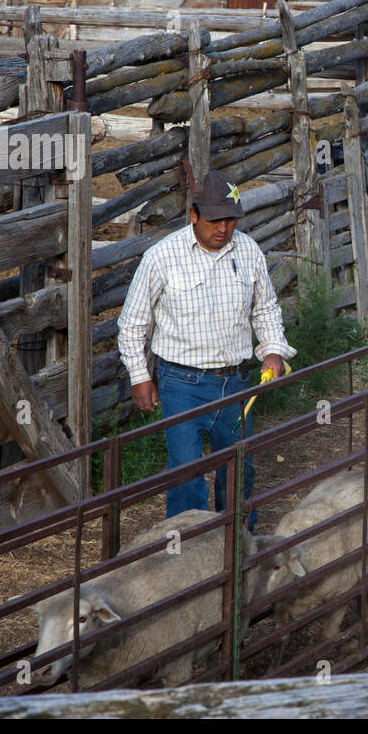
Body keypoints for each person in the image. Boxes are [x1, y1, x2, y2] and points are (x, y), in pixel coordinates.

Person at [117, 174, 296, 522]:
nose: (224, 229)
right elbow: (132, 325)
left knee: (238, 466)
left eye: (231, 219)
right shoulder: (161, 258)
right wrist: (140, 377)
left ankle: (237, 547)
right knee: (186, 470)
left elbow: (265, 309)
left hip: (236, 383)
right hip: (182, 384)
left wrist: (273, 350)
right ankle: (189, 553)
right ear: (193, 215)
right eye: (215, 219)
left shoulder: (248, 252)